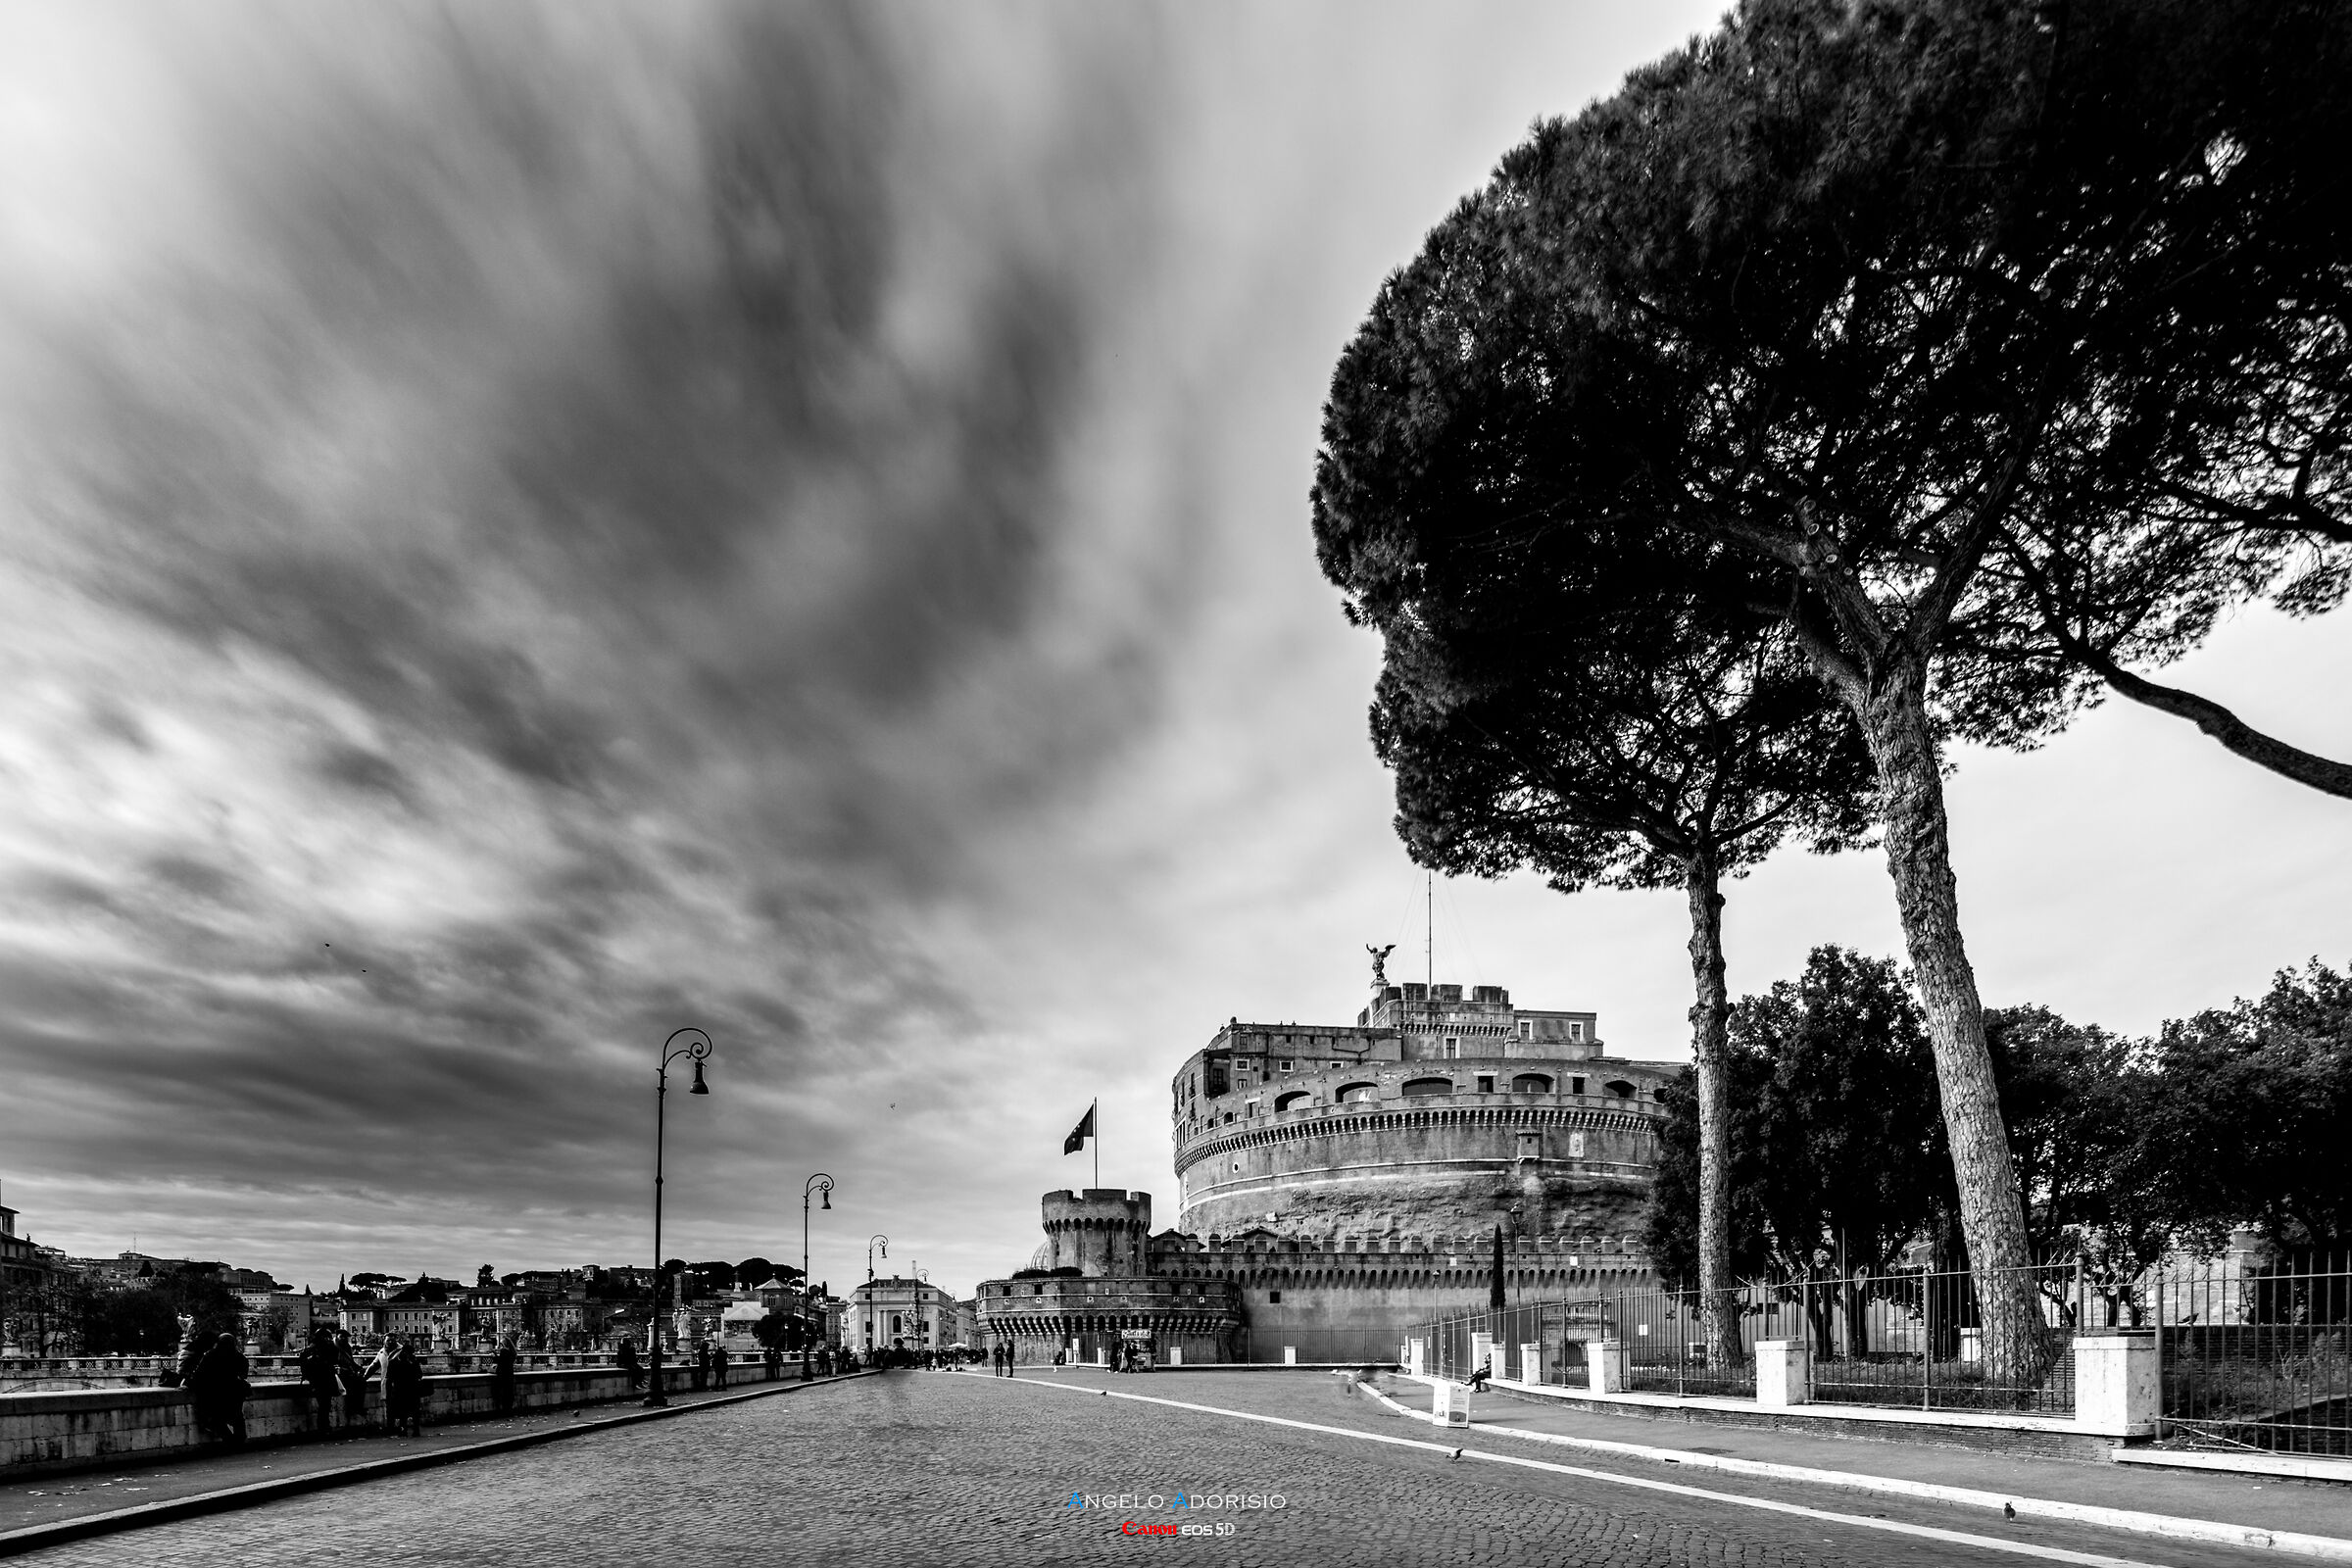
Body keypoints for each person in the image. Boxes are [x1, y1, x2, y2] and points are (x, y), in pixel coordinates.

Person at [187, 1332, 250, 1446]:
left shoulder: (210, 1355)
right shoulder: (240, 1357)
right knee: (237, 1418)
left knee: (215, 1419)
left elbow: (199, 1375)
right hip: (235, 1393)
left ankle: (230, 1441)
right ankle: (239, 1440)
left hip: (214, 1393)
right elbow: (243, 1375)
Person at [298, 1327, 340, 1434]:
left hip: (317, 1380)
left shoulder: (311, 1349)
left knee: (324, 1405)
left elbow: (303, 1360)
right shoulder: (324, 1348)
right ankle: (323, 1427)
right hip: (323, 1380)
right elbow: (335, 1358)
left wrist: (306, 1375)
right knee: (325, 1405)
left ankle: (324, 1427)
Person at [387, 1337, 425, 1437]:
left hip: (400, 1390)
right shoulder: (413, 1362)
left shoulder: (394, 1362)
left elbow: (389, 1378)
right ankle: (415, 1430)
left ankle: (404, 1430)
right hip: (411, 1390)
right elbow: (420, 1375)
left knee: (402, 1411)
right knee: (413, 1411)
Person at [334, 1329, 369, 1431]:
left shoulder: (347, 1347)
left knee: (362, 1382)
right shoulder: (333, 1347)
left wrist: (359, 1368)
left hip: (347, 1372)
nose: (344, 1339)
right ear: (337, 1337)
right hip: (338, 1374)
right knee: (351, 1386)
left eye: (345, 1337)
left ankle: (358, 1407)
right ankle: (352, 1409)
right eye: (341, 1337)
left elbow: (351, 1362)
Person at [490, 1335, 517, 1416]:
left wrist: (494, 1356)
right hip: (510, 1374)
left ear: (504, 1344)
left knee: (503, 1393)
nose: (500, 1346)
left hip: (503, 1375)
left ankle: (505, 1411)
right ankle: (509, 1410)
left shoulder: (504, 1351)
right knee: (509, 1392)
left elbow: (501, 1362)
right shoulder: (512, 1352)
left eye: (501, 1344)